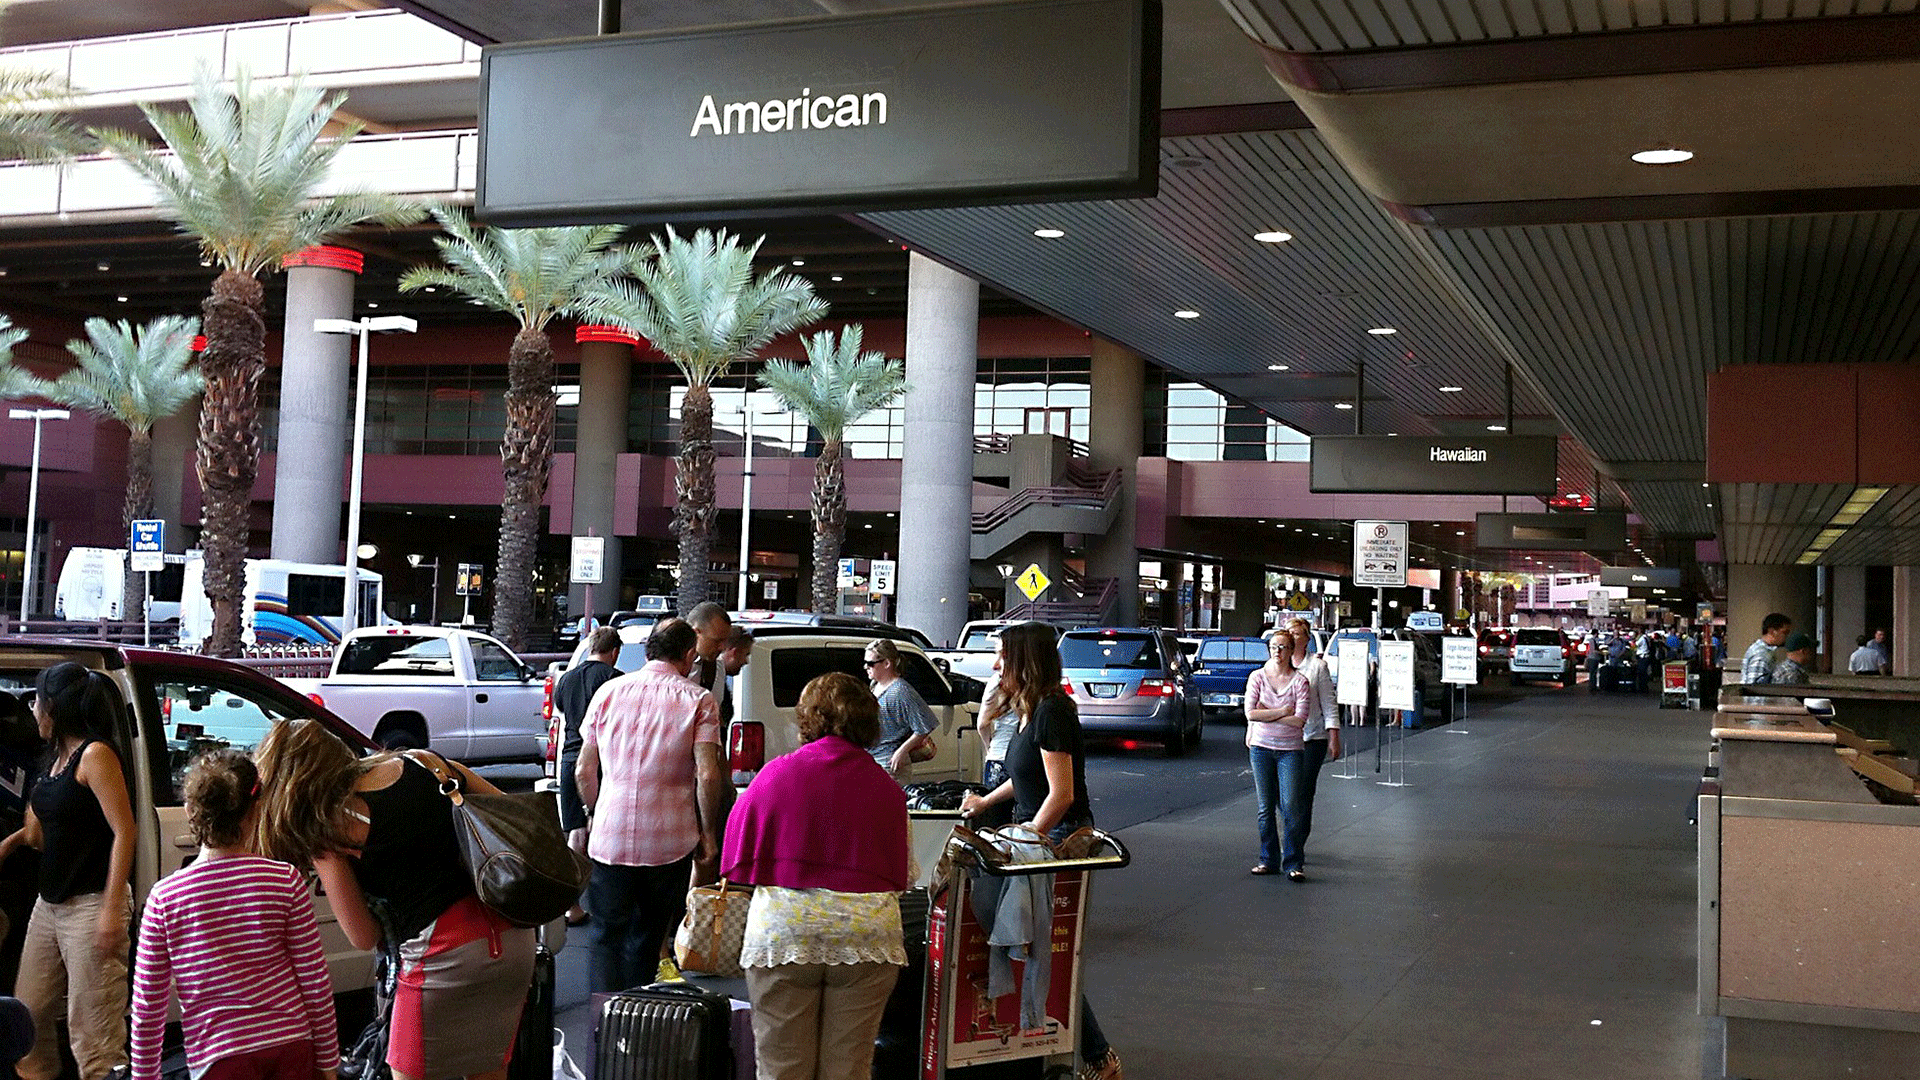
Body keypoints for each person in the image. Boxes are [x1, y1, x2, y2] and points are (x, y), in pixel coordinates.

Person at [254, 719, 536, 1080]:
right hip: (513, 937)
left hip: (440, 954)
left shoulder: (329, 828)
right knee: (489, 1071)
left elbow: (363, 936)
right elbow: (515, 816)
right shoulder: (426, 763)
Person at [720, 672, 910, 1080]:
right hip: (866, 939)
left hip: (784, 935)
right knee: (849, 1068)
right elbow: (904, 874)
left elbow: (736, 855)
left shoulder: (775, 775)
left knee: (780, 1067)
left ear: (807, 719)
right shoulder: (887, 788)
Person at [959, 622, 1120, 1080]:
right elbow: (1027, 776)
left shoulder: (1052, 711)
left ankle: (1097, 1055)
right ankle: (1041, 1045)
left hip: (1058, 837)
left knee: (1042, 946)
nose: (995, 665)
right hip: (1034, 832)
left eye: (1002, 656)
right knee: (1029, 941)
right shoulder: (1030, 709)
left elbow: (1061, 794)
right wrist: (985, 803)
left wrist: (1029, 838)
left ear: (1023, 661)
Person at [130, 750, 338, 1080]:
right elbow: (314, 981)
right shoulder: (285, 881)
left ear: (190, 810)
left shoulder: (165, 899)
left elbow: (147, 1006)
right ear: (255, 810)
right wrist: (328, 1063)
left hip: (220, 1058)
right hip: (292, 1046)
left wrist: (144, 1076)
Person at [574, 617, 728, 993]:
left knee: (606, 936)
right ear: (689, 655)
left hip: (609, 836)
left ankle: (603, 1015)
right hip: (670, 841)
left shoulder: (608, 693)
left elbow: (583, 770)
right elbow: (708, 774)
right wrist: (709, 833)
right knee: (647, 936)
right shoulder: (698, 700)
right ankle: (637, 1011)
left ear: (648, 652)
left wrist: (594, 812)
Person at [0, 664, 136, 1080]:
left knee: (94, 1038)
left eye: (37, 701)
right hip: (50, 904)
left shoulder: (95, 755)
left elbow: (125, 830)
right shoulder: (54, 758)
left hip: (90, 904)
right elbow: (44, 832)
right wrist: (10, 843)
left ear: (55, 708)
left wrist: (111, 909)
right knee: (27, 1021)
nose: (32, 709)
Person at [554, 626, 624, 926]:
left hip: (570, 759)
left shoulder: (566, 679)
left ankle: (571, 905)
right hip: (601, 761)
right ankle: (604, 901)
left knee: (576, 833)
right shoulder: (615, 680)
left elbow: (561, 709)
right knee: (602, 829)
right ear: (614, 652)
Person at [1240, 633, 1310, 880]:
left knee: (1290, 806)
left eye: (1282, 647)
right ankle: (1267, 859)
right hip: (1261, 747)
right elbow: (1250, 713)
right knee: (1265, 807)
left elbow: (1299, 720)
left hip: (1290, 750)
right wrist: (1282, 711)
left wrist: (1267, 713)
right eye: (1273, 647)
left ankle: (1293, 863)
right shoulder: (1257, 677)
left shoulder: (1300, 682)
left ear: (1291, 650)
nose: (1277, 651)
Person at [1286, 618, 1339, 868]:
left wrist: (1333, 736)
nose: (1292, 637)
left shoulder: (1317, 667)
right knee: (1284, 794)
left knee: (1303, 793)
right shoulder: (1277, 665)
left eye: (1297, 633)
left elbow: (1329, 704)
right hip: (1283, 737)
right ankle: (1292, 835)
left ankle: (1295, 843)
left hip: (1312, 738)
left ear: (1307, 639)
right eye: (1289, 633)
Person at [863, 639, 937, 785]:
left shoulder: (901, 690)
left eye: (871, 663)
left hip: (889, 763)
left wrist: (902, 751)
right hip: (874, 759)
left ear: (887, 663)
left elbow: (925, 725)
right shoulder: (875, 686)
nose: (866, 667)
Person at [686, 601, 735, 719]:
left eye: (725, 641)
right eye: (717, 641)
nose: (722, 647)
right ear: (696, 633)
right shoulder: (671, 666)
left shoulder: (717, 665)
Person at [1741, 613, 1793, 685]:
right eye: (1785, 632)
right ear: (1772, 631)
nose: (1787, 636)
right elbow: (1754, 687)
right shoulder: (1761, 655)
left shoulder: (1761, 651)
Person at [718, 626, 754, 724]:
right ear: (734, 652)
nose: (746, 661)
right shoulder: (715, 680)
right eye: (745, 655)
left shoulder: (718, 678)